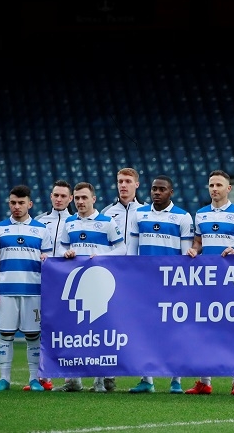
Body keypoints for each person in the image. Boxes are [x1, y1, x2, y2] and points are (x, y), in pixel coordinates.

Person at [186, 170, 234, 396]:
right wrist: (193, 250)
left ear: (228, 188)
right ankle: (204, 381)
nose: (214, 189)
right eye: (211, 185)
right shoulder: (201, 214)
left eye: (219, 185)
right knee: (205, 327)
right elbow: (198, 242)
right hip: (207, 280)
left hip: (231, 280)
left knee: (233, 328)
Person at [54, 182, 126, 393]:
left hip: (99, 285)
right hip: (78, 285)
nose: (80, 202)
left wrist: (104, 256)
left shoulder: (107, 222)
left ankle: (100, 380)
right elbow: (61, 247)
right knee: (75, 332)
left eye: (84, 197)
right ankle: (73, 381)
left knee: (98, 333)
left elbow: (122, 248)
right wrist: (65, 253)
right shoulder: (69, 222)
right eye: (77, 198)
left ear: (93, 199)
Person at [127, 176, 194, 394]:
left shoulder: (183, 217)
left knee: (174, 332)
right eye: (154, 189)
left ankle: (176, 380)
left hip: (171, 284)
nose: (156, 192)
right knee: (145, 331)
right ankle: (147, 380)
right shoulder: (139, 214)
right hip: (145, 284)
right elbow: (132, 251)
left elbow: (185, 255)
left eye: (161, 189)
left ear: (170, 192)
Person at [0, 185, 53, 391]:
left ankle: (34, 379)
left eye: (21, 203)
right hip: (6, 292)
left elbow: (49, 261)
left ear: (29, 204)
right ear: (9, 203)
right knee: (5, 335)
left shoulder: (42, 229)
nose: (17, 206)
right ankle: (4, 379)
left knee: (33, 336)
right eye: (13, 202)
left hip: (34, 291)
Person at [96, 167, 143, 393]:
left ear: (137, 184)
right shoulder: (106, 213)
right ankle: (108, 374)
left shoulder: (145, 211)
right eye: (120, 181)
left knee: (140, 325)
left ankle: (146, 377)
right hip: (112, 277)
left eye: (127, 181)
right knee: (109, 324)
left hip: (137, 278)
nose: (123, 185)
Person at [27, 179, 73, 391]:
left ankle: (70, 378)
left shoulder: (76, 222)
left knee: (67, 330)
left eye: (63, 196)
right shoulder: (39, 222)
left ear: (70, 198)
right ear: (51, 196)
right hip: (42, 283)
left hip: (66, 284)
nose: (59, 199)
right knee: (41, 329)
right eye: (56, 195)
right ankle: (42, 377)